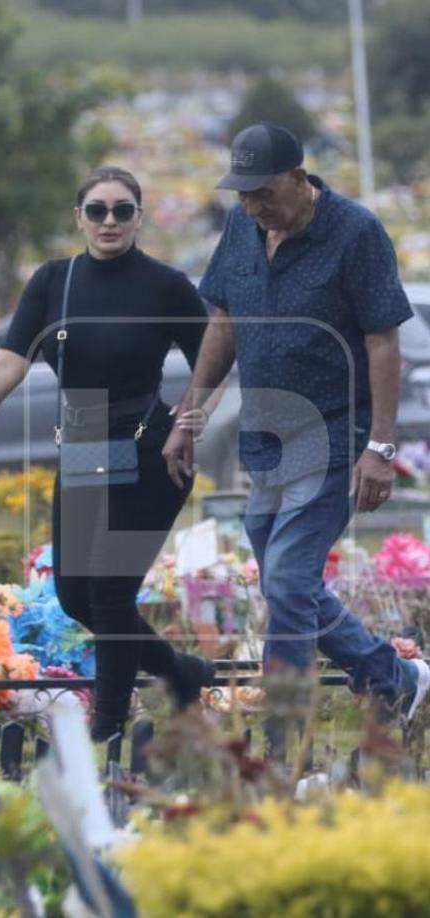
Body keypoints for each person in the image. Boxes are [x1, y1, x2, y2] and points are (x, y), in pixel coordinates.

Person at [0, 168, 218, 742]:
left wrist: (188, 419)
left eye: (123, 210)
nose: (110, 221)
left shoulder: (165, 285)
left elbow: (214, 353)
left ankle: (105, 733)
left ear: (140, 216)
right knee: (75, 595)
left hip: (152, 454)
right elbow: (9, 361)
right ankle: (179, 673)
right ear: (78, 215)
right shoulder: (54, 282)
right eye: (98, 210)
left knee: (110, 592)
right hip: (84, 446)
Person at [164, 123, 430, 750]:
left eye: (263, 192)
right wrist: (189, 415)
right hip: (267, 439)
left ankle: (282, 737)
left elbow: (382, 339)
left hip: (337, 434)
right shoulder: (242, 226)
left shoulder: (355, 232)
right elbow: (223, 323)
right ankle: (393, 676)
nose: (253, 205)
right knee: (290, 583)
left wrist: (380, 448)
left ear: (299, 178)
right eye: (243, 194)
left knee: (285, 579)